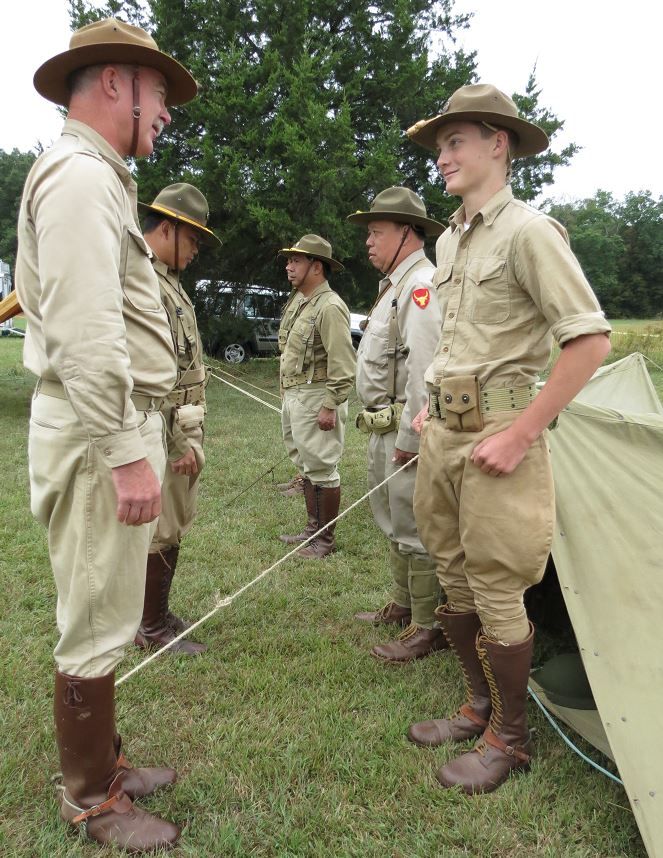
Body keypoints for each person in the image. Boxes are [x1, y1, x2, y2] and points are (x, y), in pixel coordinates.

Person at [15, 18, 197, 850]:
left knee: (109, 607)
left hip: (105, 429)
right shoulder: (83, 180)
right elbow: (88, 334)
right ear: (119, 82)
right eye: (160, 94)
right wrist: (128, 453)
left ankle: (105, 765)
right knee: (93, 615)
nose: (165, 113)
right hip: (99, 435)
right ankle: (89, 798)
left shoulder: (101, 177)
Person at [404, 84, 611, 794]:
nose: (441, 157)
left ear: (499, 144)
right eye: (437, 147)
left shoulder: (529, 232)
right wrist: (434, 399)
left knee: (495, 587)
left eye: (454, 141)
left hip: (500, 437)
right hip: (447, 434)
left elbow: (588, 342)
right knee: (452, 573)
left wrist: (522, 434)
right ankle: (479, 705)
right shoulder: (450, 237)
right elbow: (459, 334)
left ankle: (511, 740)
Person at [347, 187, 447, 662]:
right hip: (383, 427)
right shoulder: (394, 286)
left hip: (405, 429)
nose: (369, 241)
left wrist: (411, 436)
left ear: (408, 232)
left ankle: (428, 626)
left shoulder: (421, 286)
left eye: (377, 231)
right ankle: (405, 605)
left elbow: (426, 370)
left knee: (414, 524)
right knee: (393, 518)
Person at [136, 183, 220, 655]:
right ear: (167, 228)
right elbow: (150, 375)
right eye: (193, 239)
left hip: (181, 421)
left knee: (172, 522)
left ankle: (155, 614)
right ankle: (150, 627)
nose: (196, 250)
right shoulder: (147, 281)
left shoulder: (167, 280)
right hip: (166, 425)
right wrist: (178, 442)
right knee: (162, 527)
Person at [277, 234, 356, 558]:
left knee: (322, 467)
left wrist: (330, 405)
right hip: (297, 393)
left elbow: (343, 362)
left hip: (317, 394)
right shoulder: (301, 301)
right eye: (289, 260)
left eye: (296, 260)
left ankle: (324, 540)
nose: (289, 266)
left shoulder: (330, 306)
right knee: (308, 464)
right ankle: (312, 530)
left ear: (317, 266)